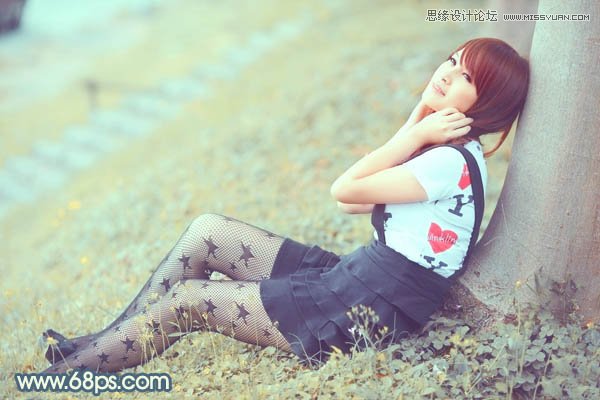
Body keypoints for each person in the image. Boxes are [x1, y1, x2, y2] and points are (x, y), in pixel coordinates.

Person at [40, 37, 529, 373]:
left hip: (367, 307)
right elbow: (356, 204)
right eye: (451, 60)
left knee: (189, 300)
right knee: (209, 232)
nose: (447, 74)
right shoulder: (448, 152)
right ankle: (92, 346)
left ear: (487, 102)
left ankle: (62, 378)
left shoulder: (447, 162)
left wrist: (417, 132)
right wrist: (418, 121)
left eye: (466, 76)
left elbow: (344, 191)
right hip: (359, 278)